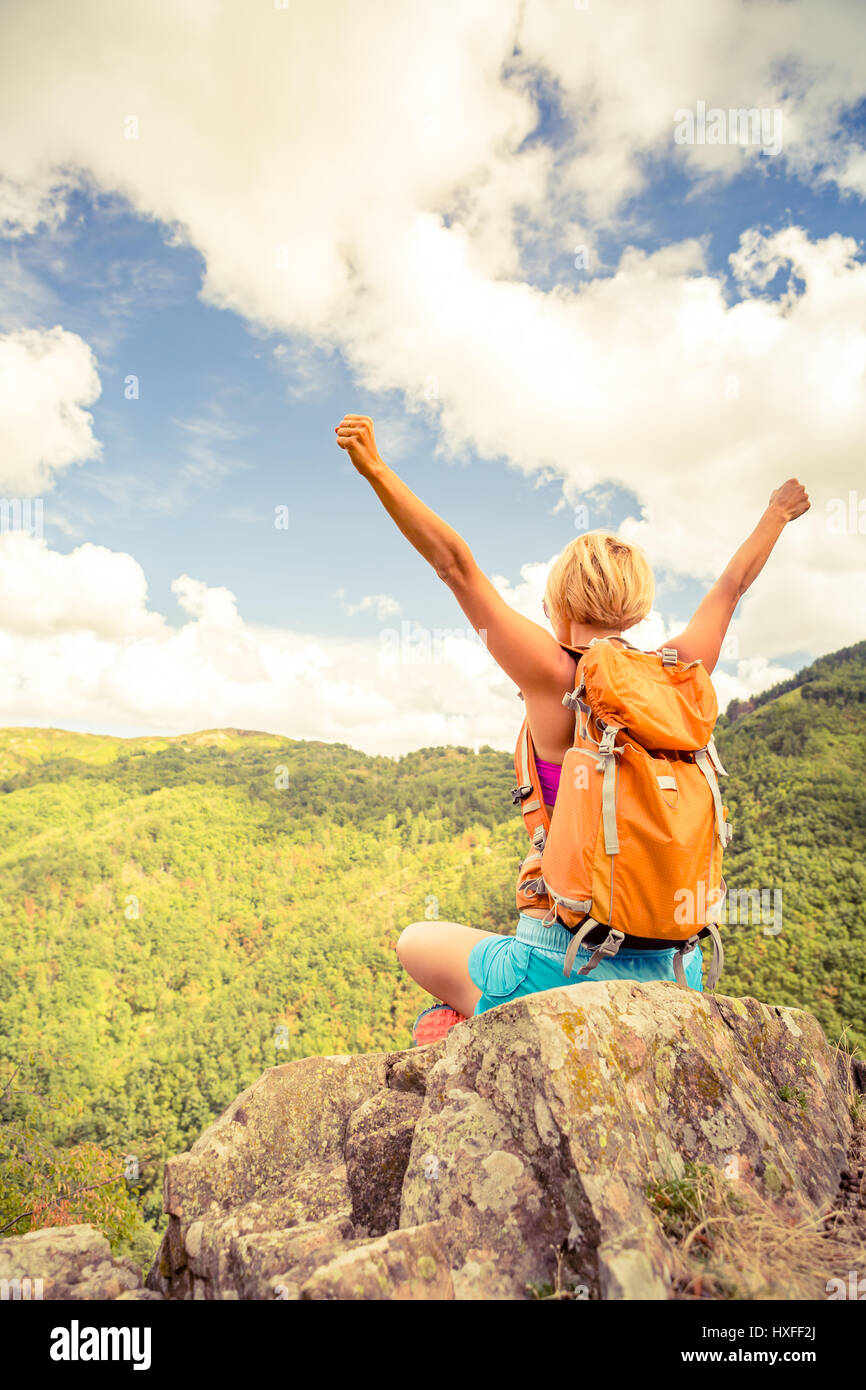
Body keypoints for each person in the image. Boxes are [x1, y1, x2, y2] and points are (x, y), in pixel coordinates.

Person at [335, 413, 810, 1040]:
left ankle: (465, 1029)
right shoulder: (679, 673)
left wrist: (375, 470)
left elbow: (454, 565)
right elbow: (731, 586)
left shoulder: (553, 676)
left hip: (562, 968)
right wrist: (776, 514)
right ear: (635, 605)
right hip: (676, 972)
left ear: (557, 604)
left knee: (416, 941)